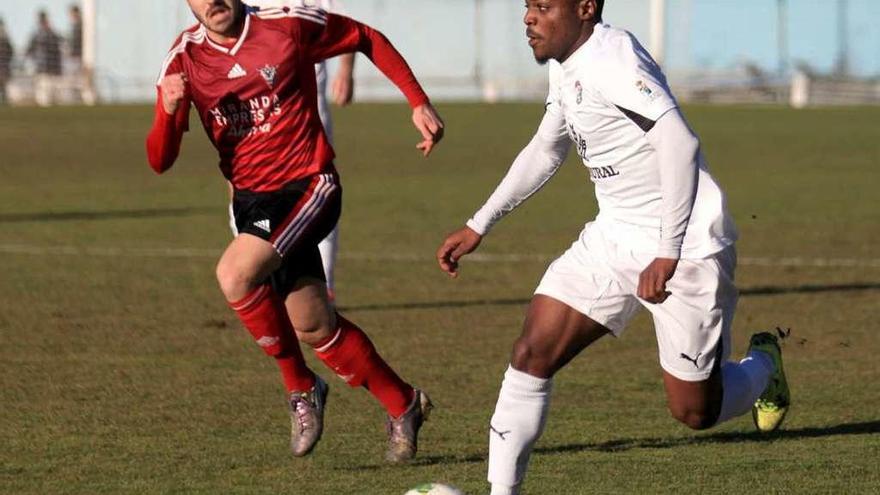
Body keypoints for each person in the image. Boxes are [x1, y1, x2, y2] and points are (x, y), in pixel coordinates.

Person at [436, 1, 790, 493]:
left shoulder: (613, 59)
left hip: (685, 247)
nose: (528, 17)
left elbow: (679, 144)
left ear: (585, 7)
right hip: (614, 236)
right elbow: (546, 147)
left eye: (542, 6)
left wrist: (668, 250)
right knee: (532, 351)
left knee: (694, 411)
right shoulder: (570, 66)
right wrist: (480, 223)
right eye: (526, 6)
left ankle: (764, 368)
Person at [146, 0, 444, 462]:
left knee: (235, 274)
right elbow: (160, 161)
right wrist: (168, 109)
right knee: (313, 325)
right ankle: (403, 403)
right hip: (252, 204)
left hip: (310, 184)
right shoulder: (183, 58)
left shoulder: (286, 24)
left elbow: (365, 37)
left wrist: (417, 100)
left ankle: (301, 388)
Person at [234, 0, 356, 302]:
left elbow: (347, 25)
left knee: (317, 192)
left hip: (306, 114)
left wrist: (345, 69)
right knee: (243, 193)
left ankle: (323, 284)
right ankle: (257, 278)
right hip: (254, 110)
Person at [26, 10, 63, 106]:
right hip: (43, 69)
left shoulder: (51, 34)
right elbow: (29, 50)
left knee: (51, 94)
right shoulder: (39, 35)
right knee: (44, 95)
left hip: (50, 69)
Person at [0, 18, 13, 105]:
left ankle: (5, 101)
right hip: (4, 66)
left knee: (3, 85)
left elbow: (11, 52)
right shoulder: (5, 37)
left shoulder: (5, 38)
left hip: (4, 66)